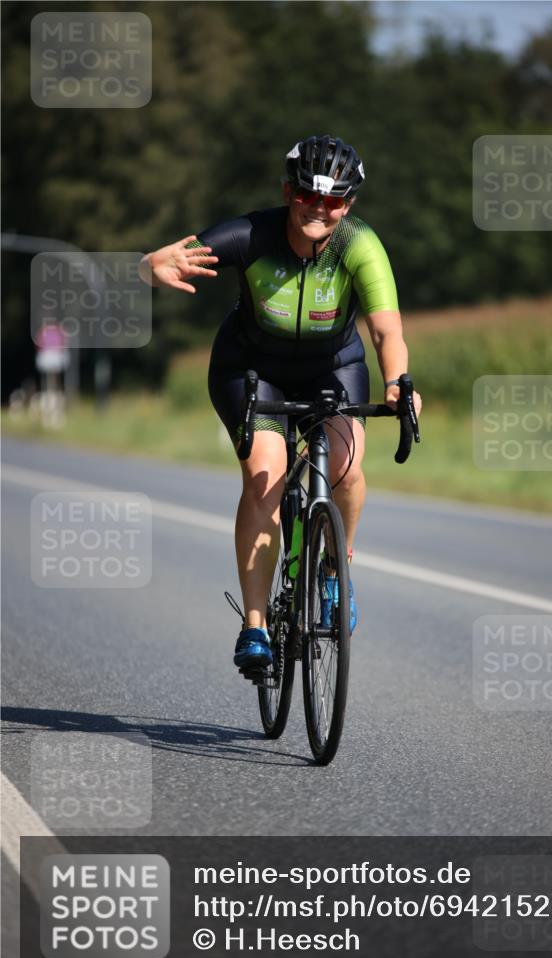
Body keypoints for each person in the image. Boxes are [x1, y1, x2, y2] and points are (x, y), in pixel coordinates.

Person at [139, 135, 421, 679]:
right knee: (264, 476)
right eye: (307, 195)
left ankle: (336, 573)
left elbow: (387, 331)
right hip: (251, 369)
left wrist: (396, 383)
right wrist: (149, 265)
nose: (319, 208)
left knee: (346, 467)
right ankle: (256, 625)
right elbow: (162, 261)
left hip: (333, 367)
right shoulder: (251, 235)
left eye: (333, 200)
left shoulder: (359, 246)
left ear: (348, 204)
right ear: (288, 192)